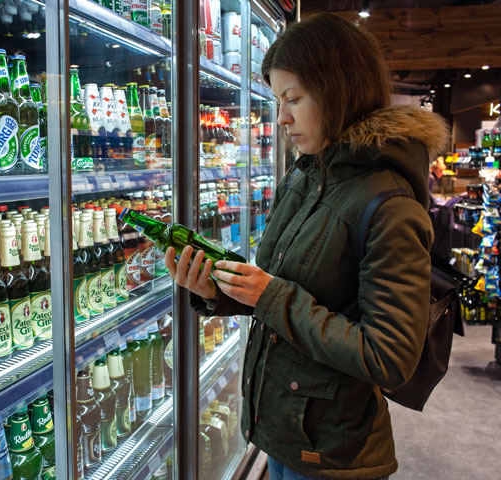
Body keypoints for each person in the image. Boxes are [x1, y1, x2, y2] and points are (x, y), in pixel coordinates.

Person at [164, 13, 450, 480]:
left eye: (294, 99)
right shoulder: (303, 175)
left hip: (332, 452)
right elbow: (284, 289)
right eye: (278, 101)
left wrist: (267, 295)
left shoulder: (390, 203)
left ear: (340, 90)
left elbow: (390, 357)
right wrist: (217, 288)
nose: (282, 119)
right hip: (282, 426)